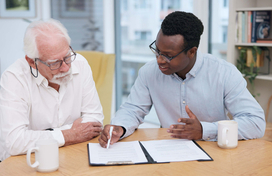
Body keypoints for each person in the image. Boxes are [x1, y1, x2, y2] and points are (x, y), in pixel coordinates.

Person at [99, 11, 266, 148]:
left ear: (192, 52)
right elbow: (132, 109)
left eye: (168, 56)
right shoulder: (149, 72)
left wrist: (205, 130)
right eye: (157, 51)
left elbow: (255, 122)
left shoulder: (224, 73)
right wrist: (119, 127)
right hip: (166, 151)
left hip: (215, 153)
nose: (159, 60)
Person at [0, 19, 104, 161]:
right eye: (54, 63)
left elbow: (95, 121)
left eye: (67, 57)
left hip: (72, 154)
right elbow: (15, 142)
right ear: (32, 62)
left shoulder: (80, 63)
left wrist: (43, 136)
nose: (66, 68)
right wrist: (70, 134)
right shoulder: (14, 78)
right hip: (27, 161)